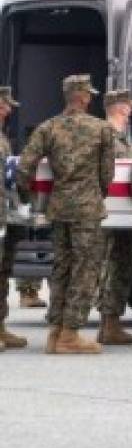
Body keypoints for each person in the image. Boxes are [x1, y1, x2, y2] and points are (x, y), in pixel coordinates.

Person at [17, 75, 115, 355]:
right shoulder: (100, 129)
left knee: (61, 268)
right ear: (83, 97)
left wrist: (27, 198)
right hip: (87, 208)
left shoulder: (49, 128)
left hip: (59, 207)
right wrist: (97, 194)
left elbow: (25, 166)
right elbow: (106, 173)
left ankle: (56, 331)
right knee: (86, 270)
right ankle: (70, 333)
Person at [97, 89, 132, 345]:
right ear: (121, 109)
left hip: (125, 215)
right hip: (109, 213)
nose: (131, 113)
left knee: (122, 266)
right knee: (109, 266)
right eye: (129, 109)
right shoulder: (105, 137)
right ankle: (107, 322)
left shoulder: (125, 141)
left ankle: (112, 323)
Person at [0, 86, 28, 351]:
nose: (8, 110)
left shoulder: (3, 137)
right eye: (4, 105)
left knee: (3, 269)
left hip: (4, 212)